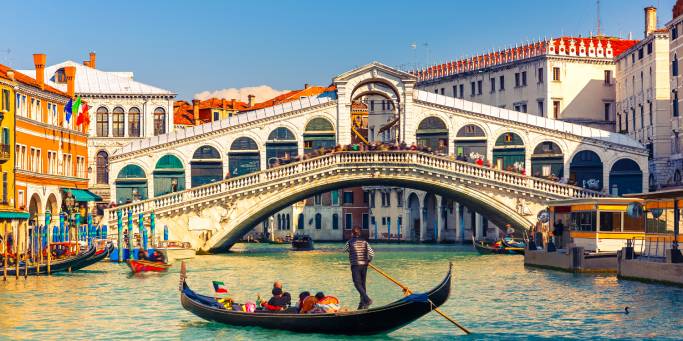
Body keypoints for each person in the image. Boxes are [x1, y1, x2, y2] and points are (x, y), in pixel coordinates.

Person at [344, 226, 374, 309]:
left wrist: (351, 252)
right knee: (362, 284)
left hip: (355, 265)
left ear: (352, 233)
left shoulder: (349, 242)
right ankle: (363, 303)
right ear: (359, 233)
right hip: (364, 264)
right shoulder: (365, 242)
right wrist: (368, 261)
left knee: (357, 283)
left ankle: (367, 300)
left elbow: (344, 250)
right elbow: (371, 254)